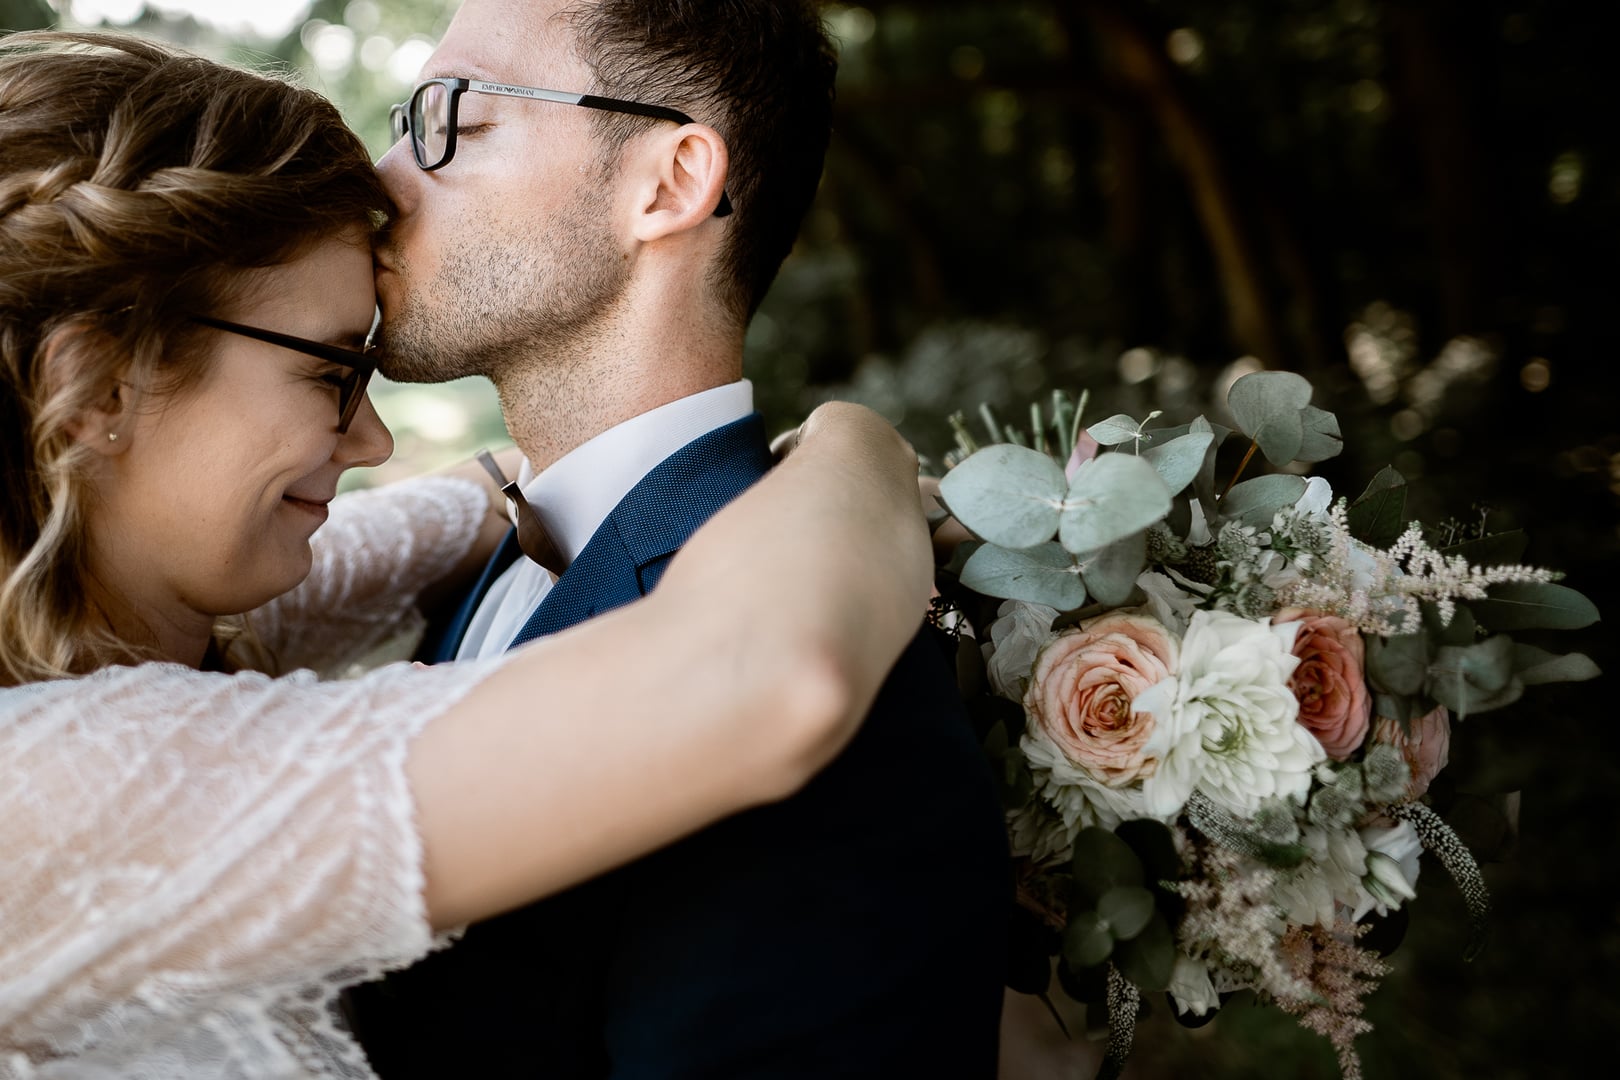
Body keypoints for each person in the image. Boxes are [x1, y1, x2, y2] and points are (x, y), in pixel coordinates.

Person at [0, 32, 939, 1079]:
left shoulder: (130, 606)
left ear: (672, 181)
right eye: (331, 373)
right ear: (97, 392)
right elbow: (764, 674)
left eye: (455, 118)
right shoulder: (41, 783)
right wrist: (862, 444)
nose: (373, 442)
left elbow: (455, 510)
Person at [345, 1, 1011, 1076]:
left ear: (669, 183)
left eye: (450, 118)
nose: (380, 182)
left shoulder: (838, 681)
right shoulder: (482, 561)